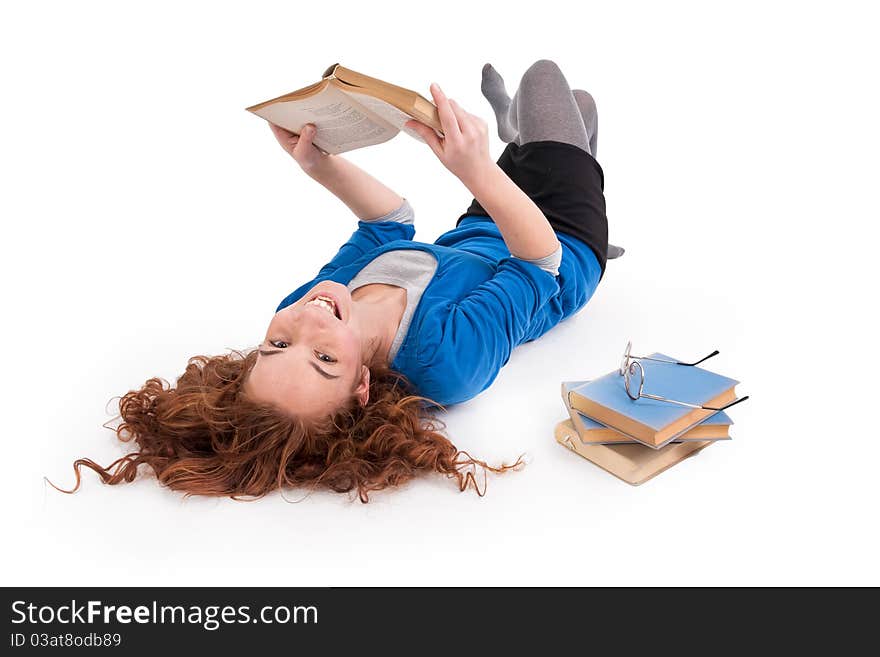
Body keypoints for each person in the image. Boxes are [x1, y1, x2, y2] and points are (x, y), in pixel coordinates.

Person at [53, 60, 620, 503]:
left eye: (277, 344)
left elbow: (389, 225)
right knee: (544, 79)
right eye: (324, 358)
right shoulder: (447, 364)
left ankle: (525, 138)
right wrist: (476, 169)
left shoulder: (310, 306)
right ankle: (526, 142)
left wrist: (317, 163)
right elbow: (536, 263)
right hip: (562, 243)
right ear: (360, 386)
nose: (309, 323)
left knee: (579, 110)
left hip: (481, 224)